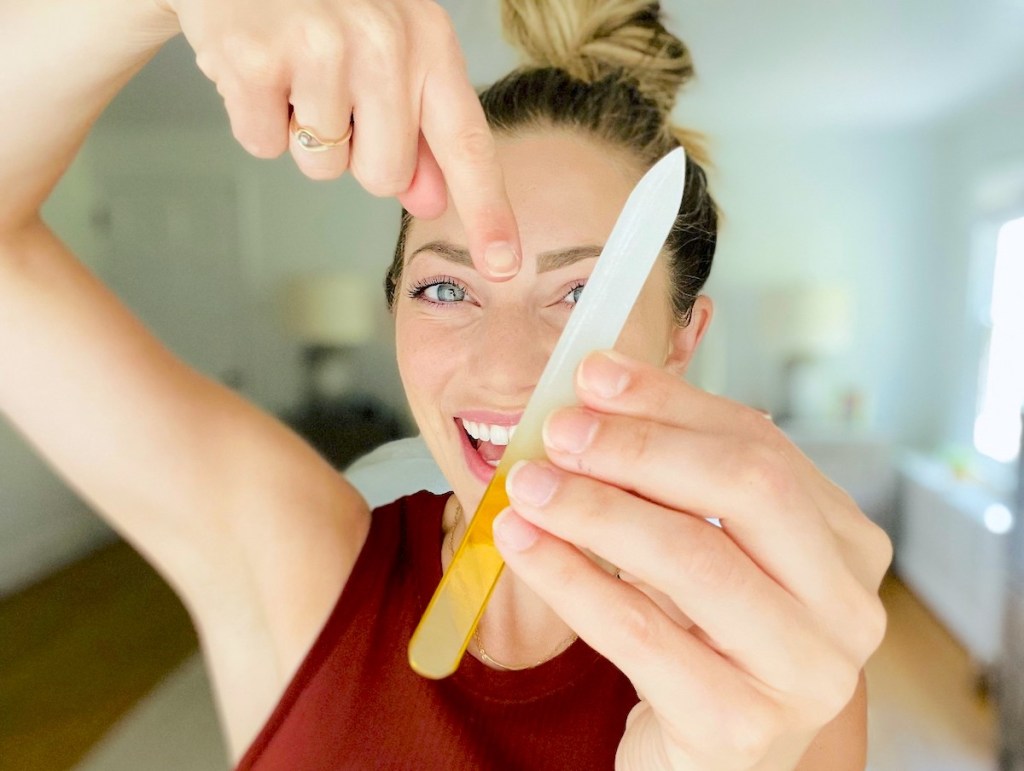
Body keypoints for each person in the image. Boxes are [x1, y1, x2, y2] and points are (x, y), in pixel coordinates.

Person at [0, 0, 893, 767]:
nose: (506, 368)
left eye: (581, 294)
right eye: (444, 287)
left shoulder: (779, 667)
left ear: (680, 341)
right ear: (393, 308)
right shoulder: (297, 562)